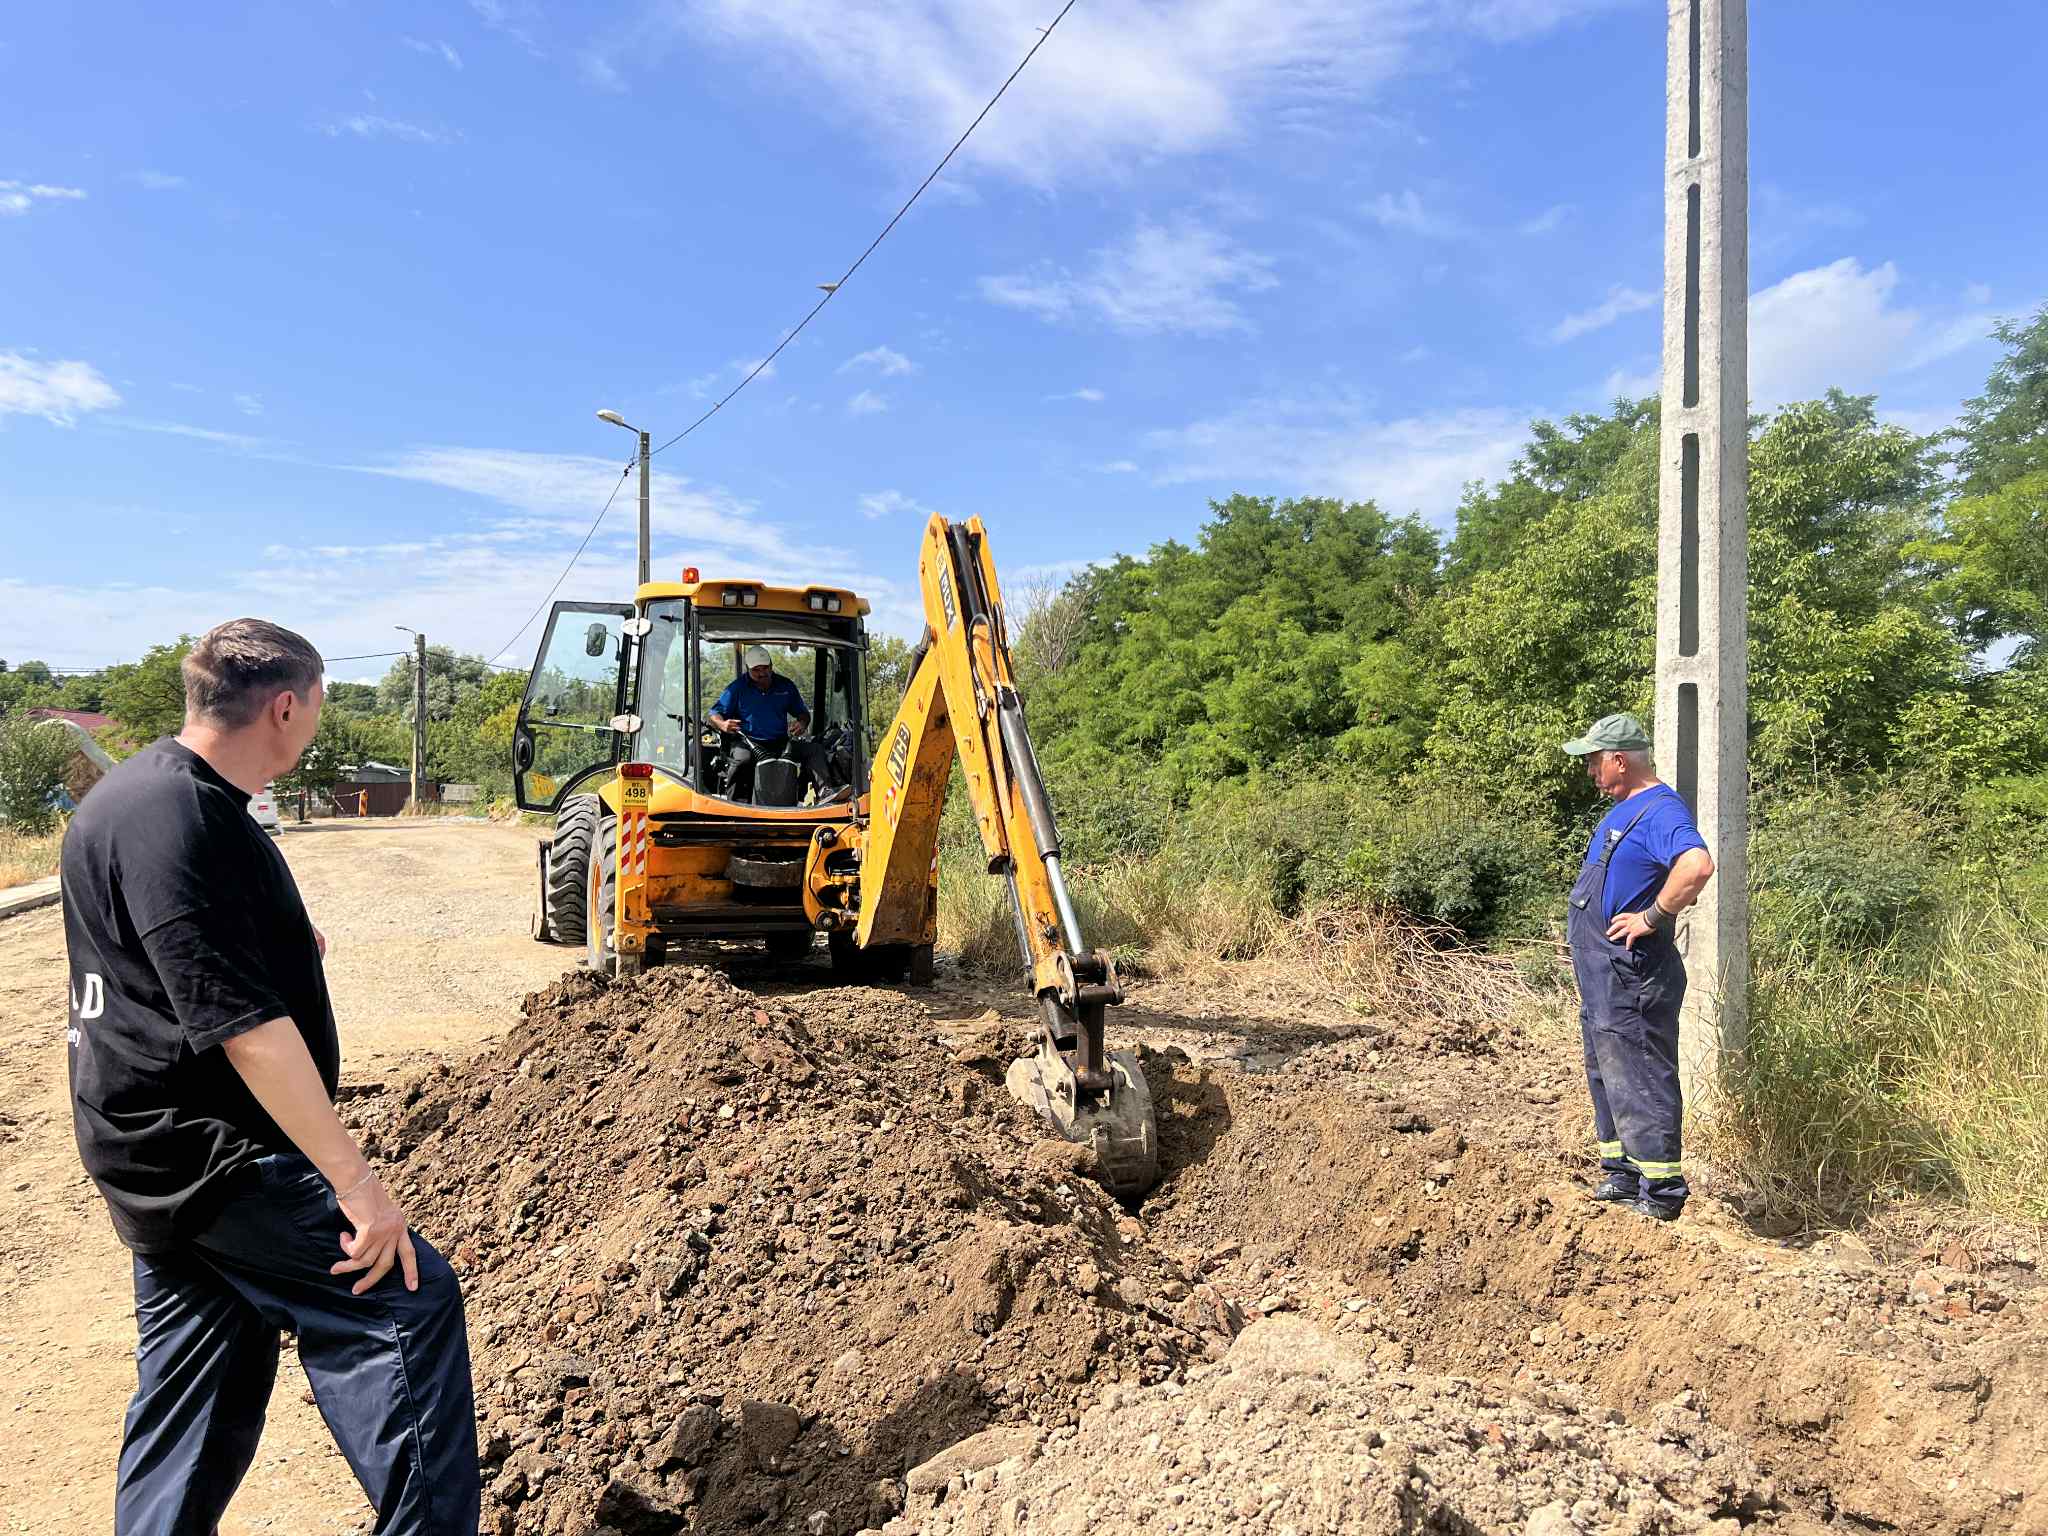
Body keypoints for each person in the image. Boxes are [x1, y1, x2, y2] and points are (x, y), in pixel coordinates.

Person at [63, 618, 479, 1535]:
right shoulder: (179, 818)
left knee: (201, 1383)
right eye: (317, 709)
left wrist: (286, 944)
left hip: (148, 1149)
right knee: (405, 1304)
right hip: (210, 1150)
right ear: (285, 706)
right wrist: (358, 1187)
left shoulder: (145, 795)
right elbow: (244, 1029)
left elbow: (173, 960)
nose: (315, 727)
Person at [1560, 712, 1716, 1223]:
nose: (1589, 772)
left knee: (1641, 1071)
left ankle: (1662, 1192)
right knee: (1607, 1068)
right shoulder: (1625, 810)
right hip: (1604, 973)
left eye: (1592, 762)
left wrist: (1653, 916)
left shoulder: (1659, 810)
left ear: (1618, 761)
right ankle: (1624, 1173)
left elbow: (1696, 865)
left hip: (1633, 973)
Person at [708, 645, 836, 800]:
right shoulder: (737, 688)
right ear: (748, 669)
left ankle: (826, 792)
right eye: (756, 670)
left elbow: (803, 714)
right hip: (748, 742)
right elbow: (714, 714)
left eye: (765, 668)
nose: (762, 673)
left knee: (814, 750)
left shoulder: (785, 686)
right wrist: (722, 724)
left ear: (771, 666)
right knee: (742, 760)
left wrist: (802, 723)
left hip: (780, 743)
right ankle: (734, 805)